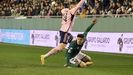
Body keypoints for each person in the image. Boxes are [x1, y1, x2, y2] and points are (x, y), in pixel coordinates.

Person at [41, 0, 86, 65]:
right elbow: (78, 5)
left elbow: (62, 10)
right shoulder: (72, 11)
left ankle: (77, 56)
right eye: (74, 6)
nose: (76, 8)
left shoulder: (65, 10)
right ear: (72, 6)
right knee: (61, 47)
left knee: (69, 43)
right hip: (66, 31)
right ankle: (44, 56)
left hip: (63, 30)